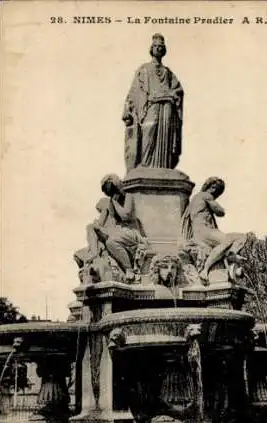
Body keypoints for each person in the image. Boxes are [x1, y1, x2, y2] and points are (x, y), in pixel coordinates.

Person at [123, 33, 184, 170]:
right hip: (150, 106)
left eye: (161, 47)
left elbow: (178, 89)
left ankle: (163, 167)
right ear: (151, 48)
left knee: (165, 138)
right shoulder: (144, 69)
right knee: (148, 131)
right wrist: (127, 110)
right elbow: (134, 91)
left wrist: (173, 94)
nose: (158, 49)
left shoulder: (167, 72)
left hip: (166, 107)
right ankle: (144, 165)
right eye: (156, 46)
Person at [87, 174, 147, 283]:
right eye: (108, 193)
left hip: (131, 231)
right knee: (92, 228)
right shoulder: (112, 201)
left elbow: (126, 216)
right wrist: (99, 227)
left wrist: (115, 203)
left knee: (111, 242)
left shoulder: (129, 196)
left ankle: (129, 269)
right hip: (119, 230)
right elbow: (111, 219)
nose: (111, 195)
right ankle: (95, 255)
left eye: (112, 191)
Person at [188, 177, 247, 280]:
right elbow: (221, 212)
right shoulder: (205, 195)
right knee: (226, 240)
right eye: (217, 190)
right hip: (203, 230)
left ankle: (230, 255)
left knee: (242, 237)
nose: (217, 194)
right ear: (212, 187)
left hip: (207, 230)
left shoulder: (197, 198)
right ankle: (205, 270)